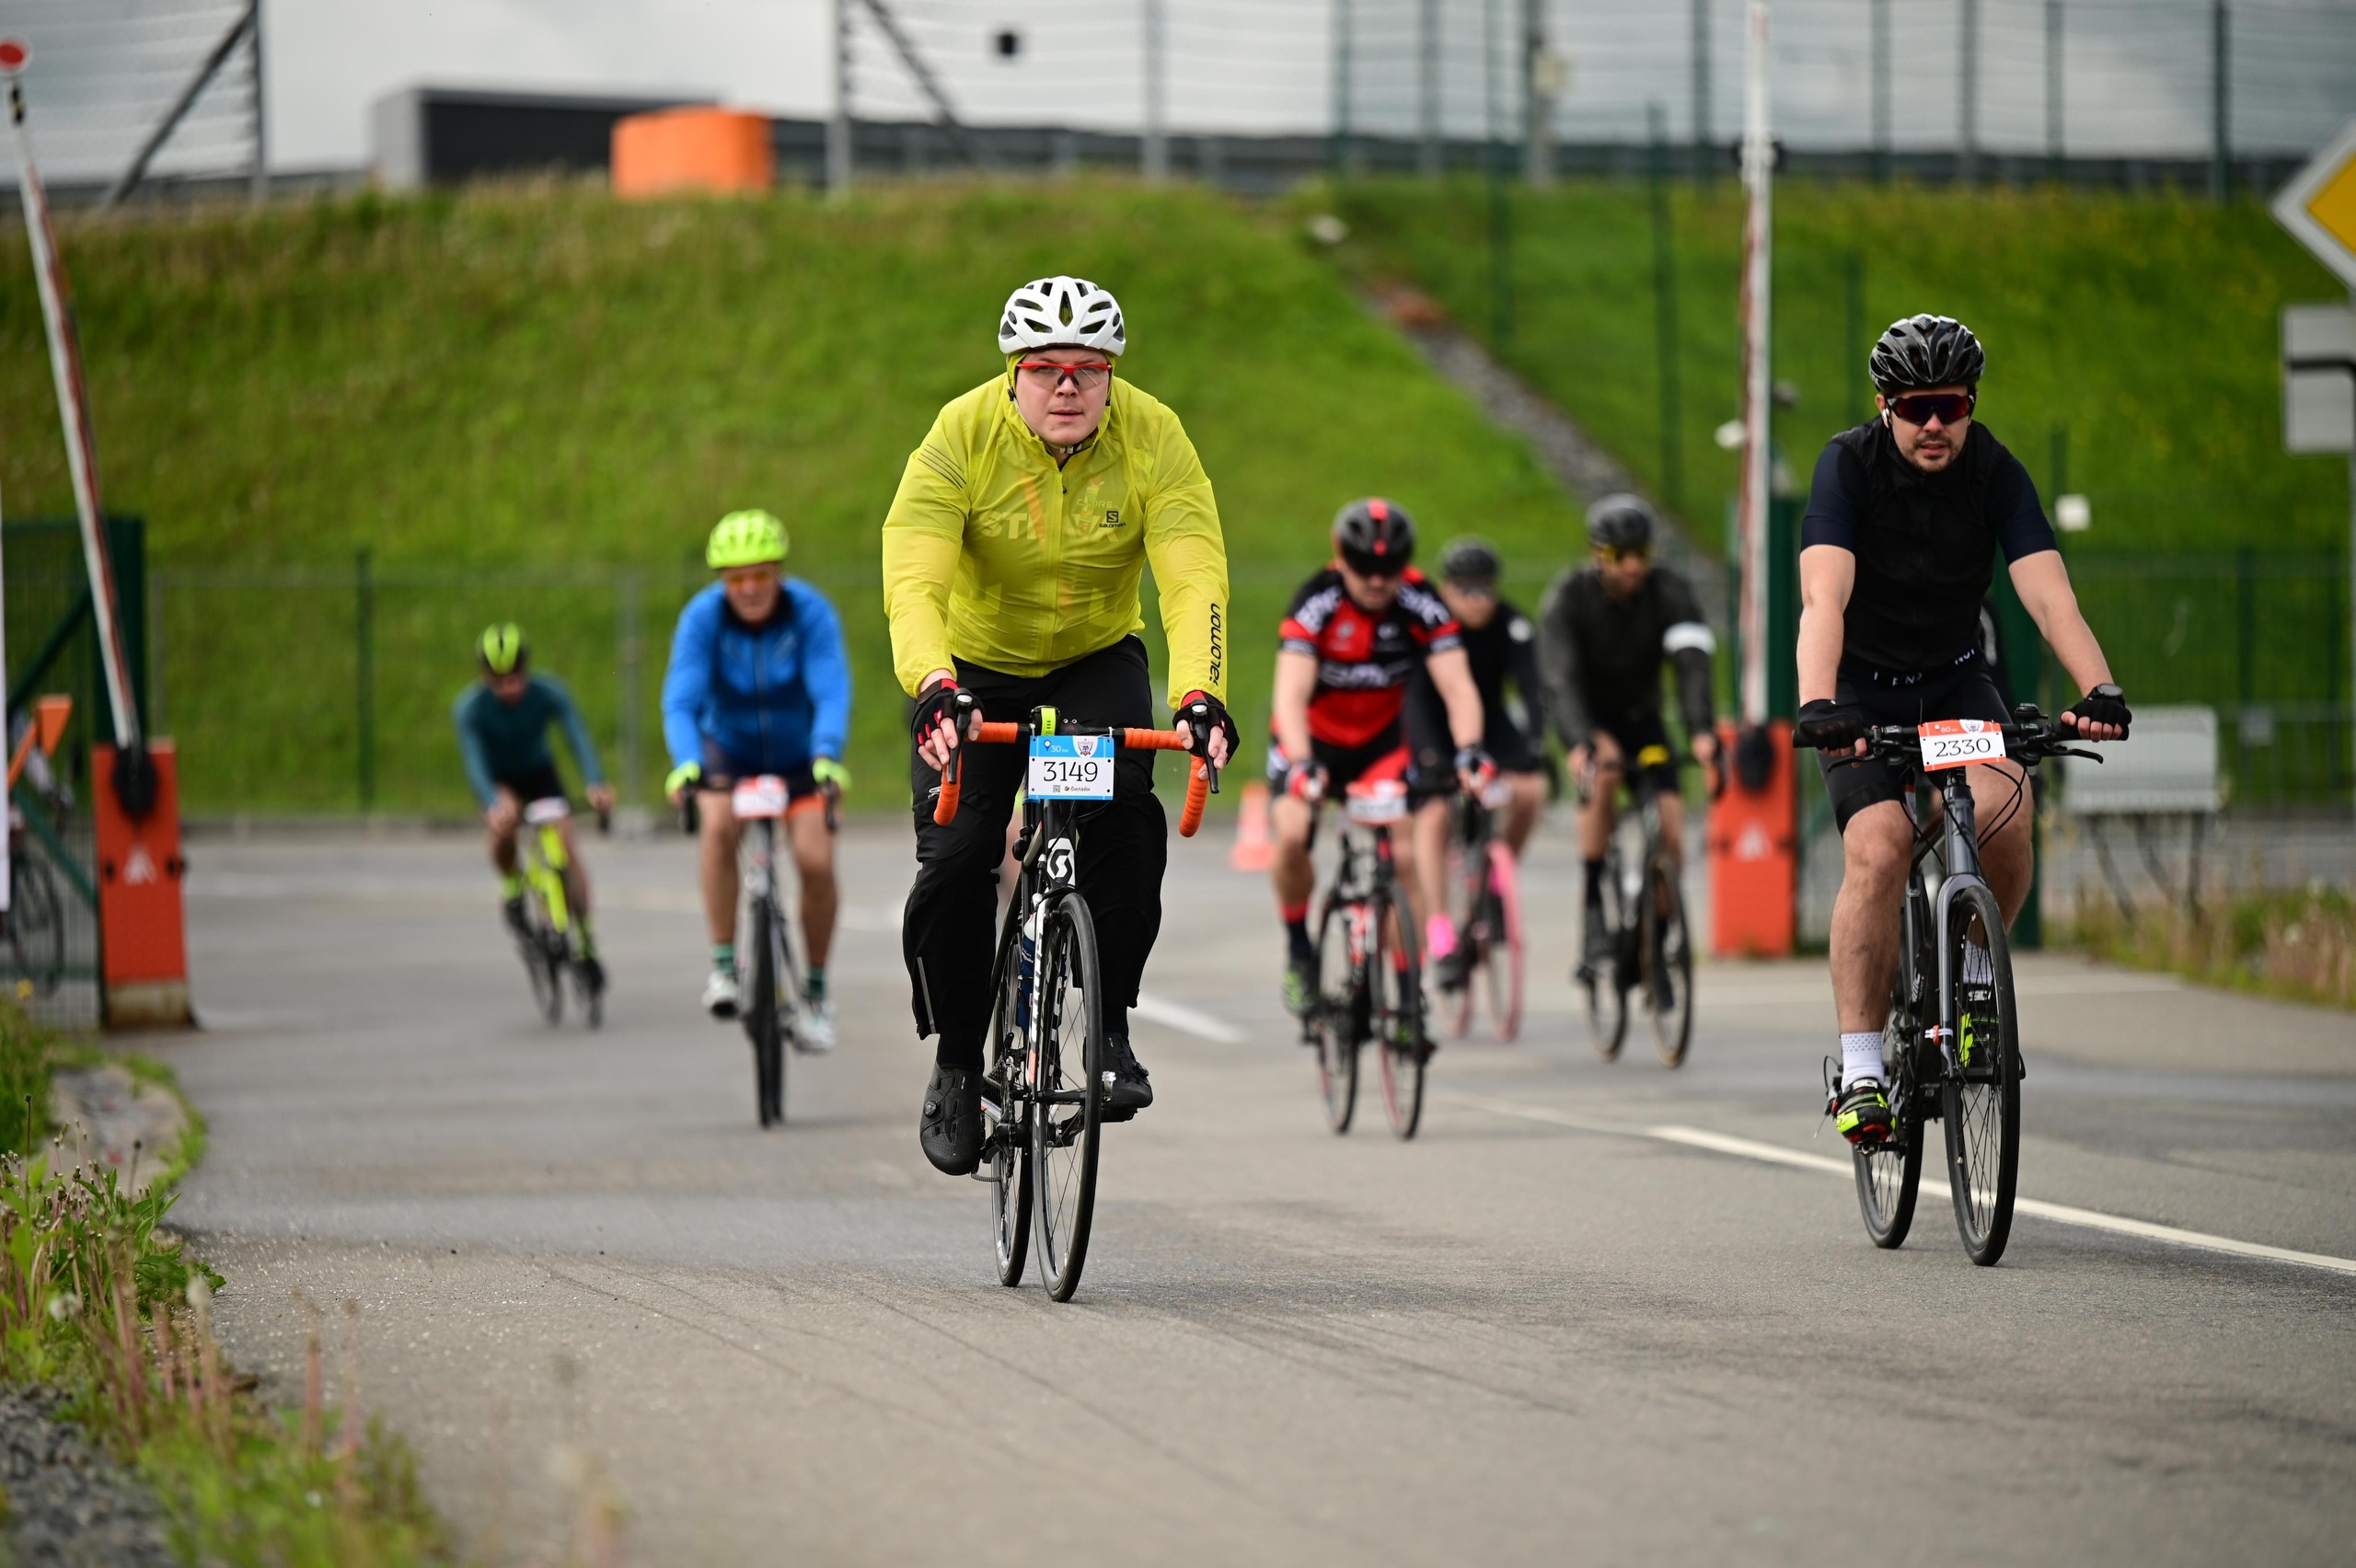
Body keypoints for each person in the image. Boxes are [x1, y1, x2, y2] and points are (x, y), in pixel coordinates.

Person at [884, 275, 1237, 1177]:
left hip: (1090, 662)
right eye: (1046, 369)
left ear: (1114, 375)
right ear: (1013, 375)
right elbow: (914, 579)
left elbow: (1192, 574)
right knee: (959, 861)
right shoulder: (959, 436)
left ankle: (1108, 1026)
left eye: (1089, 369)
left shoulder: (1154, 436)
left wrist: (1199, 696)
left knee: (1125, 819)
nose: (1068, 388)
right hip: (971, 672)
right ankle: (959, 1061)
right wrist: (932, 685)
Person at [1795, 314, 2128, 1147]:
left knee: (2007, 805)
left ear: (1971, 402)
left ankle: (1973, 981)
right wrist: (1816, 703)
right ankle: (1864, 1067)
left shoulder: (1996, 472)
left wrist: (2101, 686)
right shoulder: (1848, 466)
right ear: (1885, 407)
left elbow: (2050, 596)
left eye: (1950, 404)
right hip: (1859, 694)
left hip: (1951, 680)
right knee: (1876, 849)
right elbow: (1822, 597)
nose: (1934, 423)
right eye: (1915, 408)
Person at [1268, 498, 1488, 1031]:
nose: (1376, 580)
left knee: (1405, 859)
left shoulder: (1420, 601)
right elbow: (1290, 695)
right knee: (1293, 834)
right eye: (1364, 568)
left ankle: (1408, 995)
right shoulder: (1316, 602)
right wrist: (1301, 764)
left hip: (1379, 748)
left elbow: (1458, 688)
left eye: (1388, 570)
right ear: (1341, 559)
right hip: (1312, 745)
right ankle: (1300, 950)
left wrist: (1470, 752)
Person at [662, 509, 852, 1050]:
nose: (749, 588)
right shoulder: (702, 618)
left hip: (799, 756)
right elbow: (681, 698)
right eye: (736, 578)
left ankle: (815, 992)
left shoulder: (810, 611)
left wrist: (826, 753)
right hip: (730, 753)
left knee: (816, 861)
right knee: (717, 824)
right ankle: (725, 965)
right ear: (722, 582)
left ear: (779, 573)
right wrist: (686, 761)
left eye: (760, 575)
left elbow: (831, 689)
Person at [1537, 494, 1719, 977]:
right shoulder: (1569, 597)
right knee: (1604, 768)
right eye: (1621, 557)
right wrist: (1578, 740)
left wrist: (1702, 731)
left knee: (1671, 824)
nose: (1633, 566)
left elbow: (1692, 667)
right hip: (1590, 718)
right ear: (1598, 555)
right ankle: (1595, 898)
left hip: (1644, 720)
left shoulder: (1670, 592)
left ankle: (1653, 940)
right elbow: (1560, 678)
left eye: (1641, 553)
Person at [1404, 536, 1550, 991]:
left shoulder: (1511, 624)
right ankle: (1441, 932)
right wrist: (1430, 759)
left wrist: (1536, 743)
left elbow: (1532, 688)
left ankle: (1494, 882)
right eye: (1466, 589)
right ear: (1446, 590)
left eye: (1485, 589)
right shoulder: (1428, 622)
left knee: (1530, 792)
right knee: (1434, 815)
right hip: (1433, 721)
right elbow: (1413, 695)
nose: (1477, 599)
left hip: (1490, 724)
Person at [453, 624, 616, 988]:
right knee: (504, 822)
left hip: (539, 772)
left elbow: (577, 737)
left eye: (515, 678)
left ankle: (586, 941)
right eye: (498, 681)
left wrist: (595, 782)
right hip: (499, 779)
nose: (509, 688)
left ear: (527, 669)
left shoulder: (549, 692)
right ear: (484, 677)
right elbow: (474, 761)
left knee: (567, 847)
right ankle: (512, 887)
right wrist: (494, 804)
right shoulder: (470, 709)